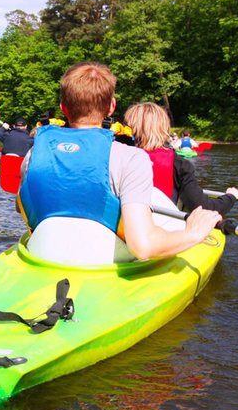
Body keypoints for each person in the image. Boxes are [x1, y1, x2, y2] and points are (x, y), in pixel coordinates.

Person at [17, 62, 221, 264]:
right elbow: (142, 247)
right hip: (106, 260)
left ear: (63, 107)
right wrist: (194, 232)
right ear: (111, 107)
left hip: (42, 252)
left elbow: (23, 208)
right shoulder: (132, 158)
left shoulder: (33, 154)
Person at [124, 102, 238, 215]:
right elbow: (205, 208)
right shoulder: (179, 165)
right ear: (164, 128)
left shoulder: (117, 155)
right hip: (159, 227)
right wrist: (230, 197)